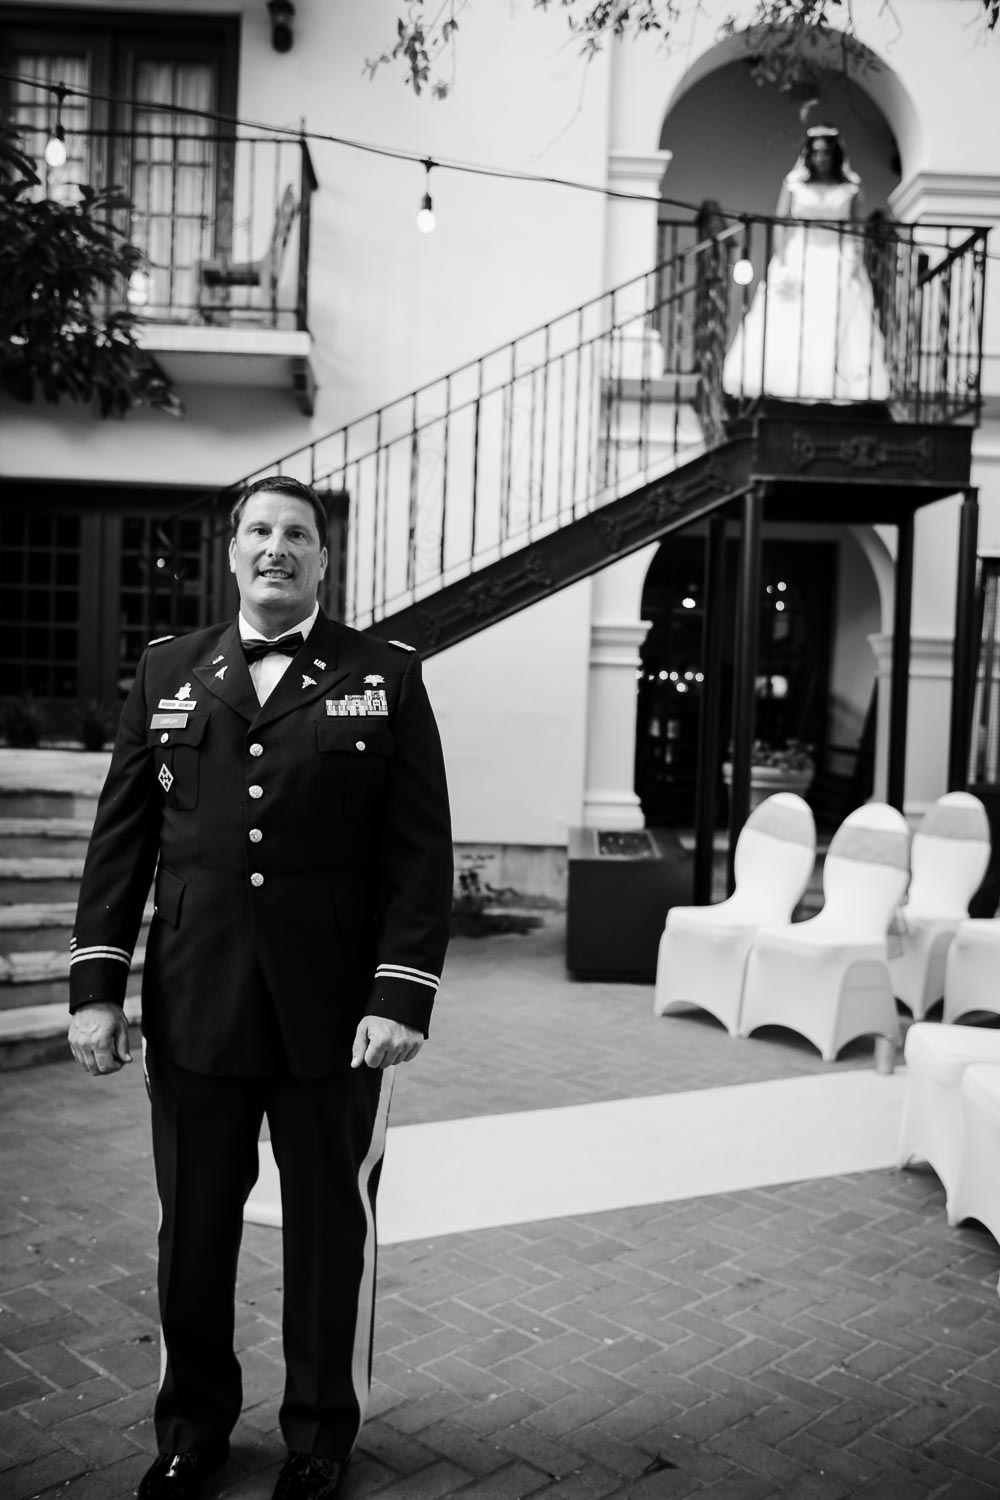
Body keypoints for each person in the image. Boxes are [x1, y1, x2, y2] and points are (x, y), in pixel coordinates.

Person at [66, 475, 453, 1500]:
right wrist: (97, 985)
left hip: (336, 1017)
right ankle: (192, 1426)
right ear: (233, 553)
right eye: (261, 532)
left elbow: (420, 857)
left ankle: (320, 1435)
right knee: (194, 1226)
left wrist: (398, 996)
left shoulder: (387, 677)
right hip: (196, 1001)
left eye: (299, 535)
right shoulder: (168, 671)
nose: (278, 548)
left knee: (330, 1229)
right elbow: (123, 839)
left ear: (323, 561)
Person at [723, 124, 889, 402]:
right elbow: (781, 223)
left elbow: (856, 228)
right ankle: (783, 381)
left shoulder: (851, 188)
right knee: (790, 319)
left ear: (834, 155)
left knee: (833, 317)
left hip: (836, 257)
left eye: (825, 152)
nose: (820, 158)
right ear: (808, 155)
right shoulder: (793, 184)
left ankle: (837, 384)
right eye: (815, 152)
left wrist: (852, 258)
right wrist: (783, 262)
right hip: (800, 254)